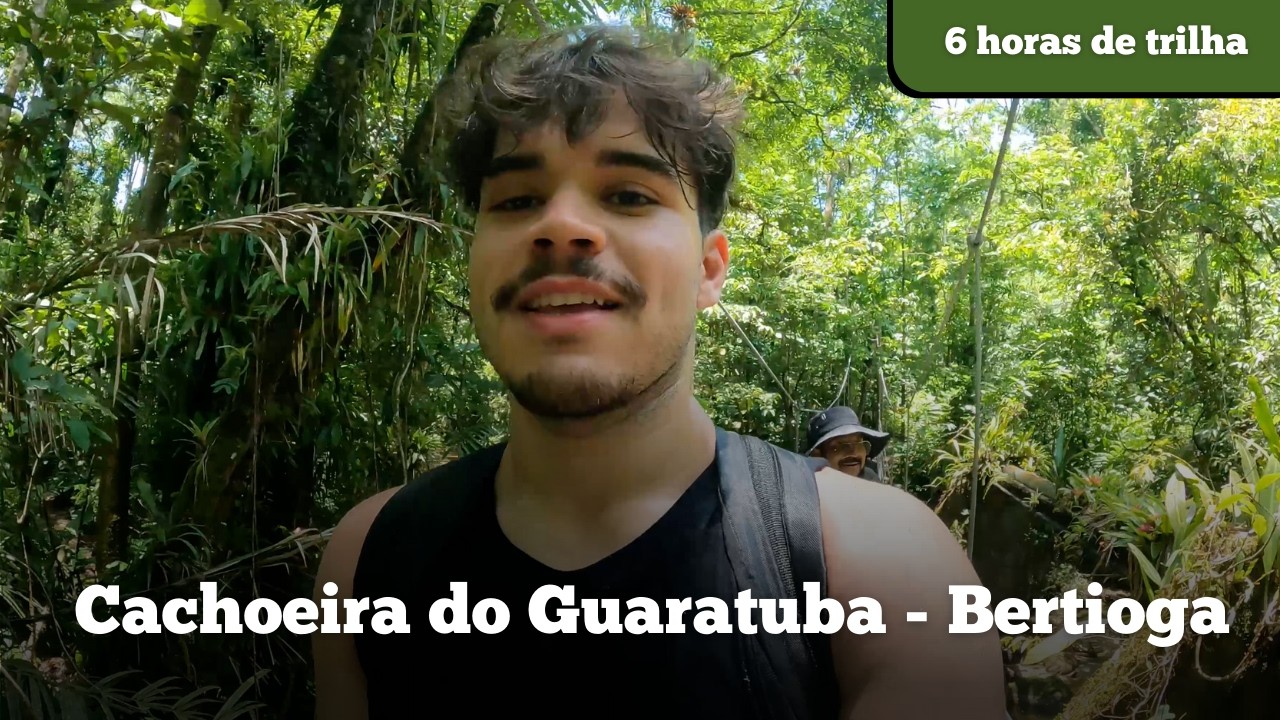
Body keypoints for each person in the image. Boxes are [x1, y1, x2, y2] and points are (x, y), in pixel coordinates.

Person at [312, 26, 1004, 720]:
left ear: (710, 270)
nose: (559, 226)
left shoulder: (883, 567)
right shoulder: (370, 557)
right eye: (517, 201)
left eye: (629, 196)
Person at [806, 406, 890, 481]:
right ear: (817, 455)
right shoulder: (804, 489)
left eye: (859, 443)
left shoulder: (870, 480)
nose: (854, 453)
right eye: (841, 445)